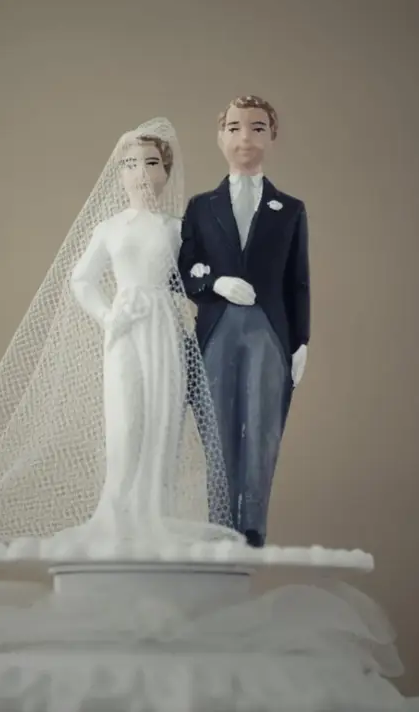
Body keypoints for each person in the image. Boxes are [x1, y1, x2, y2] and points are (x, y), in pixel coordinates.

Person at [0, 117, 240, 549]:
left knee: (163, 418)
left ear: (165, 171)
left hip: (165, 325)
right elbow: (81, 279)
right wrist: (108, 317)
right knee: (126, 420)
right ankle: (118, 510)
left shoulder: (176, 228)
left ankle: (155, 512)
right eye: (130, 164)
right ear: (118, 173)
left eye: (150, 163)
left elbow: (196, 275)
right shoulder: (107, 230)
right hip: (125, 324)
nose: (141, 173)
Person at [178, 95, 310, 547]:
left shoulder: (289, 209)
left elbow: (298, 282)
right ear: (220, 137)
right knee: (215, 424)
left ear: (272, 137)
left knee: (263, 425)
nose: (244, 137)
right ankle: (218, 522)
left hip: (269, 331)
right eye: (234, 127)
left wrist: (301, 343)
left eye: (256, 127)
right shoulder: (200, 206)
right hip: (216, 330)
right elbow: (184, 267)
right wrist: (216, 283)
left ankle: (252, 524)